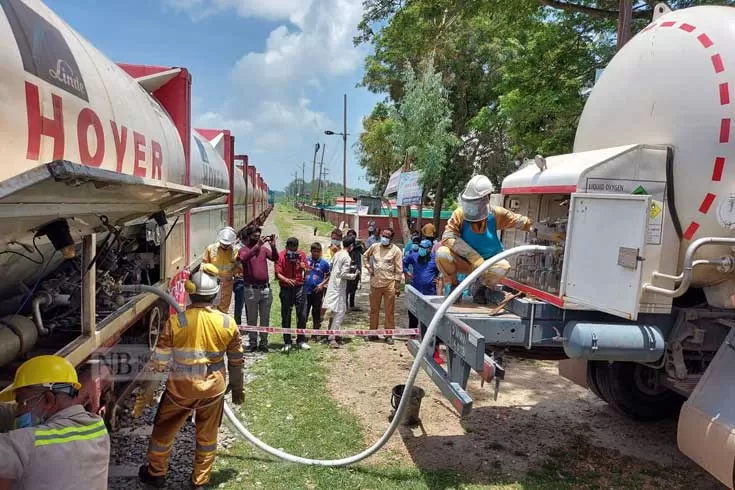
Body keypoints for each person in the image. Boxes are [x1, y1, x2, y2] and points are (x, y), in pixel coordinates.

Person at [139, 263, 244, 488]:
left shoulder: (176, 322)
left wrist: (145, 394)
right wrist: (237, 389)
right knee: (207, 437)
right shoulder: (227, 323)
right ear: (215, 294)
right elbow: (236, 361)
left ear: (189, 292)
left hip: (180, 390)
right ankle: (200, 480)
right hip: (213, 390)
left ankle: (156, 473)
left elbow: (158, 363)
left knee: (163, 431)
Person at [0, 355, 110, 489]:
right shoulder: (97, 427)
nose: (18, 412)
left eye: (20, 402)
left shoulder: (28, 444)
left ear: (48, 400)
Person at [436, 174, 533, 306]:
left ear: (486, 199)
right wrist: (473, 257)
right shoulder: (459, 214)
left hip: (487, 264)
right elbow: (448, 236)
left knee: (503, 266)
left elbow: (522, 222)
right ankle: (453, 286)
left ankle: (479, 287)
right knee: (442, 253)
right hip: (463, 261)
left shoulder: (497, 214)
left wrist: (542, 229)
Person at [403, 239, 444, 365]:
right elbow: (403, 262)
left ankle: (428, 342)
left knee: (428, 319)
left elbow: (441, 273)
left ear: (429, 249)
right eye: (419, 246)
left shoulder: (435, 259)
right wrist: (407, 273)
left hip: (429, 294)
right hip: (416, 292)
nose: (420, 249)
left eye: (423, 247)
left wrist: (438, 285)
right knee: (413, 315)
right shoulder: (414, 256)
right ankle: (412, 336)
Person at [239, 226, 278, 352]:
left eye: (258, 236)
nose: (257, 238)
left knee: (265, 318)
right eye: (255, 236)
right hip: (251, 290)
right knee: (252, 318)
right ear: (249, 236)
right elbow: (244, 259)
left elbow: (275, 258)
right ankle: (252, 342)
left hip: (265, 289)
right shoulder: (244, 250)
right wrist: (257, 246)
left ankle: (264, 343)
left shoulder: (263, 249)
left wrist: (273, 246)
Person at [363, 228, 403, 345]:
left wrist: (397, 286)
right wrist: (368, 267)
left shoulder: (396, 251)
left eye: (387, 236)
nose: (384, 238)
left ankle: (388, 335)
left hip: (389, 284)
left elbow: (399, 269)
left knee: (389, 311)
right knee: (374, 310)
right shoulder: (375, 247)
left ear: (391, 238)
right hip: (375, 284)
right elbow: (365, 256)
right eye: (383, 235)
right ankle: (372, 333)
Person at [322, 236, 359, 348]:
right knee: (340, 312)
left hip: (333, 285)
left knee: (334, 311)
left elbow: (332, 267)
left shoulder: (337, 254)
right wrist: (354, 275)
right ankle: (332, 337)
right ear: (351, 246)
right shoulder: (346, 257)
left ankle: (333, 333)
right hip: (339, 288)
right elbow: (343, 274)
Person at [275, 237, 310, 352]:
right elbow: (277, 273)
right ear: (287, 247)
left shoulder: (301, 255)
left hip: (299, 287)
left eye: (294, 250)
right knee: (286, 315)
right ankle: (287, 341)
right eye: (291, 250)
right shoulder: (281, 255)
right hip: (286, 288)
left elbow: (308, 271)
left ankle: (301, 340)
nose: (292, 253)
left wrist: (304, 267)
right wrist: (286, 279)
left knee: (302, 314)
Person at [202, 227, 241, 314]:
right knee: (211, 306)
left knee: (224, 307)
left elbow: (239, 267)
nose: (225, 246)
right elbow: (203, 264)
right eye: (224, 244)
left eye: (228, 245)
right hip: (213, 283)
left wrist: (233, 274)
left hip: (227, 284)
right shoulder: (210, 249)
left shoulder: (236, 251)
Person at [304, 242, 330, 342]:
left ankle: (314, 335)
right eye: (314, 251)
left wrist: (322, 284)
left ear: (320, 252)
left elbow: (328, 275)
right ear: (311, 251)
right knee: (304, 313)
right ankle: (301, 334)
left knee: (316, 313)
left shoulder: (324, 263)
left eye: (318, 251)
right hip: (306, 291)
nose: (315, 253)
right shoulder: (306, 261)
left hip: (317, 292)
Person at [345, 229, 364, 310]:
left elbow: (364, 253)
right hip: (347, 270)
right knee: (346, 288)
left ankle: (352, 305)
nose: (352, 237)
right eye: (350, 235)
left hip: (357, 269)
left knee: (354, 288)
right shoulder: (346, 246)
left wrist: (363, 245)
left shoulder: (358, 246)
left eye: (353, 235)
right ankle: (345, 305)